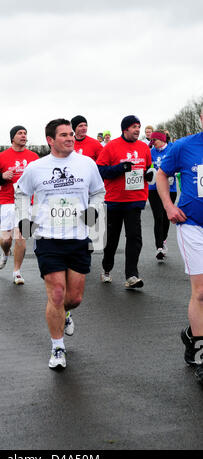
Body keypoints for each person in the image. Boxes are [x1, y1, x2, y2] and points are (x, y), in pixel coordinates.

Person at [15, 118, 105, 369]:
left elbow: (99, 192)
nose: (70, 138)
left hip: (78, 237)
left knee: (73, 298)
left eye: (71, 134)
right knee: (56, 293)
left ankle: (66, 313)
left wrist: (94, 210)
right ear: (50, 140)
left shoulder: (87, 164)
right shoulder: (36, 167)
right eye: (64, 135)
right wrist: (24, 222)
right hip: (48, 237)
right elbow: (21, 193)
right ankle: (57, 347)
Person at [156, 107, 203, 385]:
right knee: (200, 293)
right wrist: (168, 206)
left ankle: (191, 333)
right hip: (193, 225)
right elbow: (162, 175)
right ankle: (200, 353)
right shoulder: (184, 146)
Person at [96, 115, 152, 288]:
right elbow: (100, 170)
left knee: (134, 237)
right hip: (115, 199)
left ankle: (132, 275)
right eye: (134, 126)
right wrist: (120, 168)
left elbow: (149, 168)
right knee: (113, 238)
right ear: (125, 129)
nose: (137, 130)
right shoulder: (111, 146)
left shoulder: (144, 147)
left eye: (139, 126)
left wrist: (150, 174)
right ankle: (106, 268)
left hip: (135, 199)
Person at [0, 125, 39, 284]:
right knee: (6, 239)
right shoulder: (2, 156)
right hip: (7, 201)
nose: (23, 136)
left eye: (25, 133)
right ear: (12, 138)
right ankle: (5, 253)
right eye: (19, 133)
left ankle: (17, 271)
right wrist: (2, 176)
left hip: (26, 203)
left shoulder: (34, 157)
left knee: (21, 237)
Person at [148, 131, 176, 261]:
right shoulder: (151, 151)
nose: (153, 143)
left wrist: (174, 174)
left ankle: (163, 239)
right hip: (154, 188)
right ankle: (159, 247)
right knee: (158, 216)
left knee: (166, 216)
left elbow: (179, 165)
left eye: (155, 140)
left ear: (162, 139)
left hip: (171, 188)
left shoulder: (172, 149)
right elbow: (147, 167)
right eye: (152, 141)